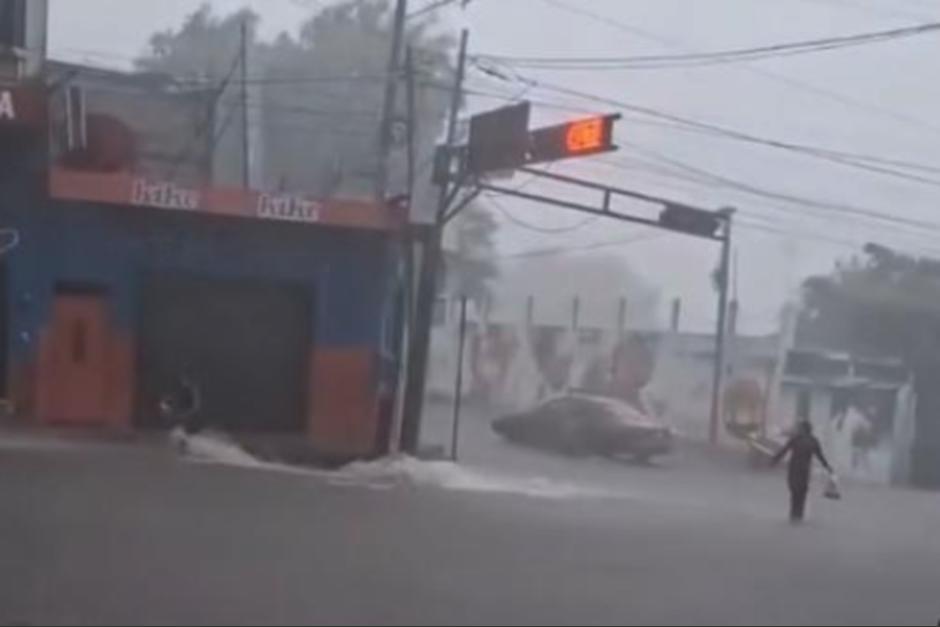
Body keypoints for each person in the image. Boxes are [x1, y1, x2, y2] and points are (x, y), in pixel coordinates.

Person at [771, 420, 833, 523]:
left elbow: (783, 451)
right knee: (802, 493)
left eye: (799, 428)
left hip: (794, 469)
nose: (798, 429)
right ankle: (799, 515)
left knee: (795, 492)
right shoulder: (813, 441)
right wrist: (828, 467)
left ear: (803, 429)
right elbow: (820, 456)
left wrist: (774, 461)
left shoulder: (795, 439)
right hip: (804, 471)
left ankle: (794, 514)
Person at [161, 375, 202, 454]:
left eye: (185, 380)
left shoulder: (190, 390)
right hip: (182, 412)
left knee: (181, 429)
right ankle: (183, 445)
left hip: (186, 412)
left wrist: (190, 411)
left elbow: (194, 403)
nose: (184, 382)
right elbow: (172, 400)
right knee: (179, 429)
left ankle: (184, 445)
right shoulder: (182, 390)